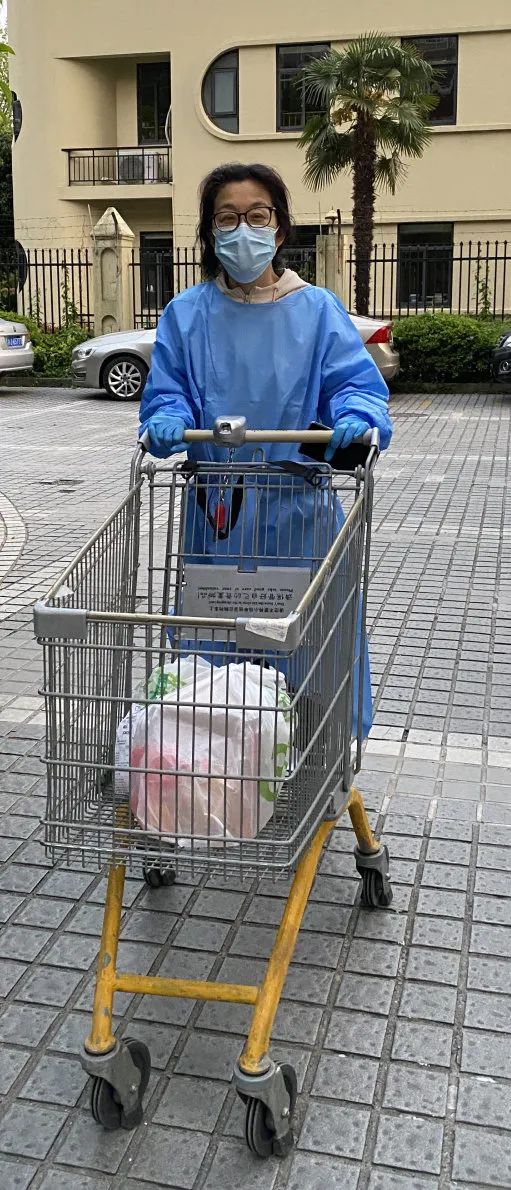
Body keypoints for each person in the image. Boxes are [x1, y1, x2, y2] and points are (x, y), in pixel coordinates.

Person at [139, 162, 393, 737]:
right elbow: (168, 390)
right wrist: (168, 416)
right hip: (217, 516)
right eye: (227, 218)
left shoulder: (317, 309)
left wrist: (356, 414)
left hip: (299, 513)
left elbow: (353, 383)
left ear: (279, 229)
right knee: (212, 654)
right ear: (210, 233)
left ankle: (316, 758)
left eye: (256, 216)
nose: (243, 230)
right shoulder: (187, 314)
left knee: (310, 642)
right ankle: (213, 763)